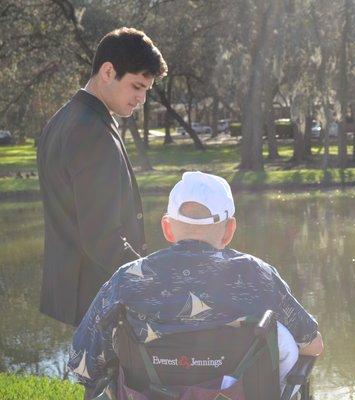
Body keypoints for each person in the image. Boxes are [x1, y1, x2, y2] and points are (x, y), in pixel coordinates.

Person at [68, 171, 324, 396]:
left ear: (167, 228)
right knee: (283, 337)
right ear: (229, 230)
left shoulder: (127, 279)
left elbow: (83, 365)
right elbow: (313, 345)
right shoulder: (256, 275)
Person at [36, 28, 167, 326]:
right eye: (136, 86)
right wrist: (150, 281)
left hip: (77, 291)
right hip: (100, 295)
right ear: (108, 71)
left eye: (146, 89)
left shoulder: (64, 118)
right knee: (119, 375)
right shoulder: (91, 131)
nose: (142, 99)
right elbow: (101, 237)